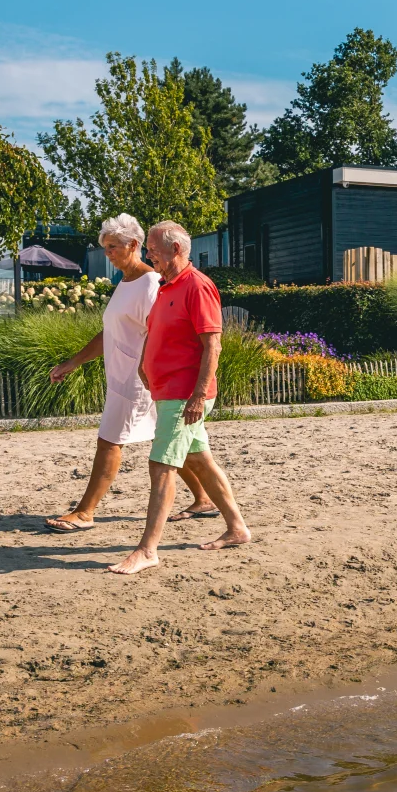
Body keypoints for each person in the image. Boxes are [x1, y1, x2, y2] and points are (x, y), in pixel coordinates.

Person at [46, 214, 219, 532]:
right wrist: (74, 361)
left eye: (113, 246)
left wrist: (151, 374)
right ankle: (204, 498)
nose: (108, 252)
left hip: (140, 381)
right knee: (175, 443)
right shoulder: (125, 283)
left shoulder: (150, 283)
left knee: (110, 441)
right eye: (105, 247)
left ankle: (85, 512)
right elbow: (110, 332)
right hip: (124, 377)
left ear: (134, 245)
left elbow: (163, 334)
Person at [108, 221, 251, 575]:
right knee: (200, 461)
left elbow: (212, 345)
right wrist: (145, 363)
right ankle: (237, 528)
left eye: (154, 248)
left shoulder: (198, 286)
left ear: (175, 249)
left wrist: (198, 395)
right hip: (167, 391)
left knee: (161, 465)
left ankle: (147, 550)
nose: (149, 254)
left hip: (185, 394)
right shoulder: (166, 285)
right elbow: (158, 332)